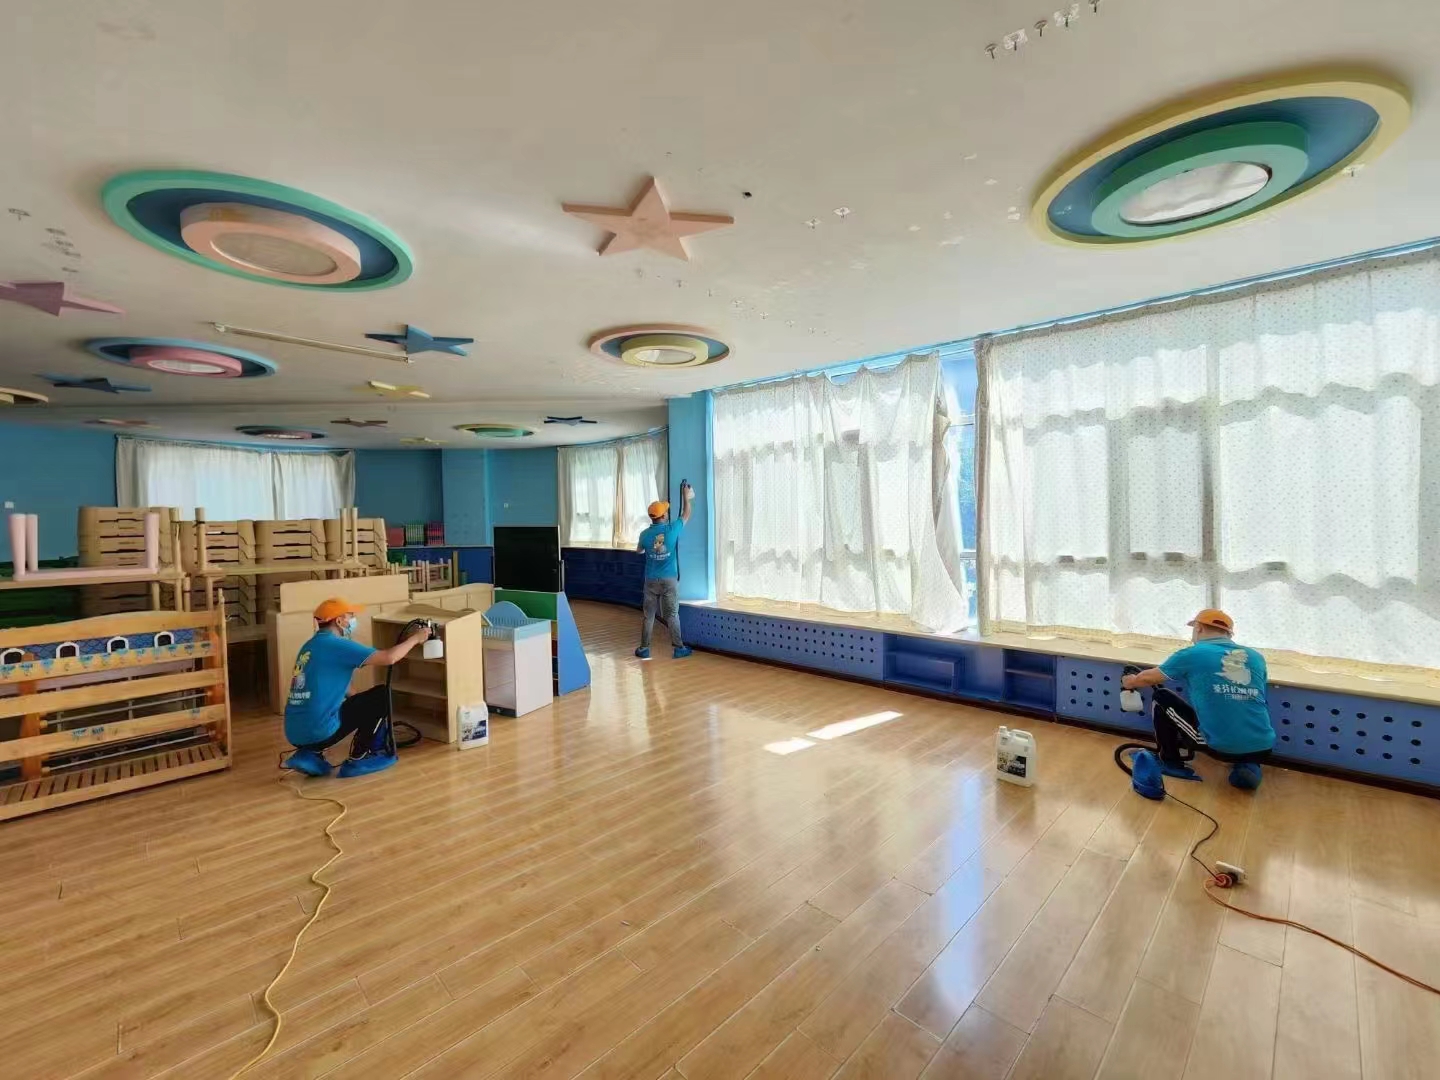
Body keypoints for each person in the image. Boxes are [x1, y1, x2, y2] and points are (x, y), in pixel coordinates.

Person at [1121, 608, 1275, 791]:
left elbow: (1147, 679)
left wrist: (1129, 681)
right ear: (1228, 634)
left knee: (1161, 697)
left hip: (1219, 747)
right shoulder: (1256, 657)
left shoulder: (1192, 654)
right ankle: (1248, 765)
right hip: (1264, 745)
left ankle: (1170, 761)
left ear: (1199, 628)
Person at [282, 598, 432, 778]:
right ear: (339, 621)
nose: (352, 621)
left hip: (294, 732)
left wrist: (367, 712)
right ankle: (361, 757)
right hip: (319, 731)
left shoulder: (309, 647)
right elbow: (389, 658)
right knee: (382, 695)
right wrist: (416, 638)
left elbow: (344, 688)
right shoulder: (336, 645)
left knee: (368, 702)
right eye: (349, 616)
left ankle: (310, 753)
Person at [635, 481, 693, 660]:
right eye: (666, 511)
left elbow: (639, 551)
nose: (668, 513)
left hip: (651, 580)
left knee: (648, 616)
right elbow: (686, 513)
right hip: (669, 581)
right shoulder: (672, 529)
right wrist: (686, 496)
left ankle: (644, 649)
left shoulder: (644, 534)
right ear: (663, 516)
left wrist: (651, 549)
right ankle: (679, 648)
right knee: (672, 614)